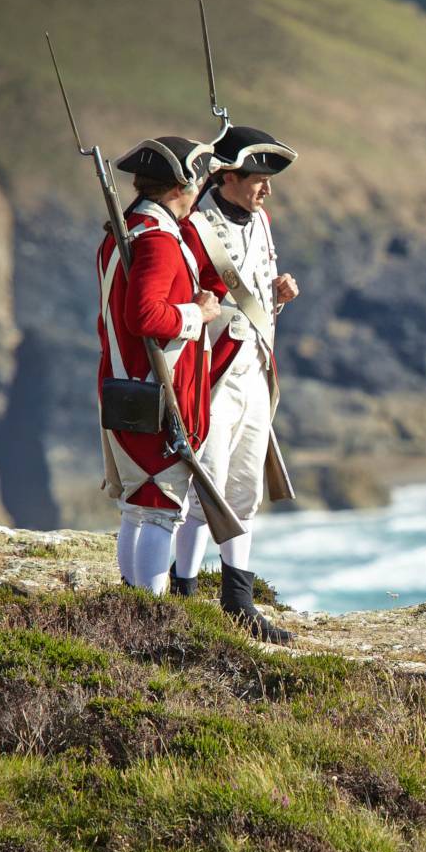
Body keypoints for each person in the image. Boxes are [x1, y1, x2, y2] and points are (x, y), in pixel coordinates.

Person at [170, 125, 300, 643]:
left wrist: (277, 293)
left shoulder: (262, 220)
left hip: (254, 370)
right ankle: (181, 592)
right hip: (211, 375)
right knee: (206, 486)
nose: (266, 188)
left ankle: (237, 598)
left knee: (243, 486)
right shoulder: (195, 227)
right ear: (227, 176)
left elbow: (254, 288)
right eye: (257, 178)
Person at [98, 136, 220, 593]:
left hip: (127, 384)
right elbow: (144, 316)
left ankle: (133, 606)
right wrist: (198, 313)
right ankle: (150, 616)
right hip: (155, 391)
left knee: (138, 506)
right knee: (160, 509)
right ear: (180, 187)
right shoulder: (159, 242)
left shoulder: (124, 232)